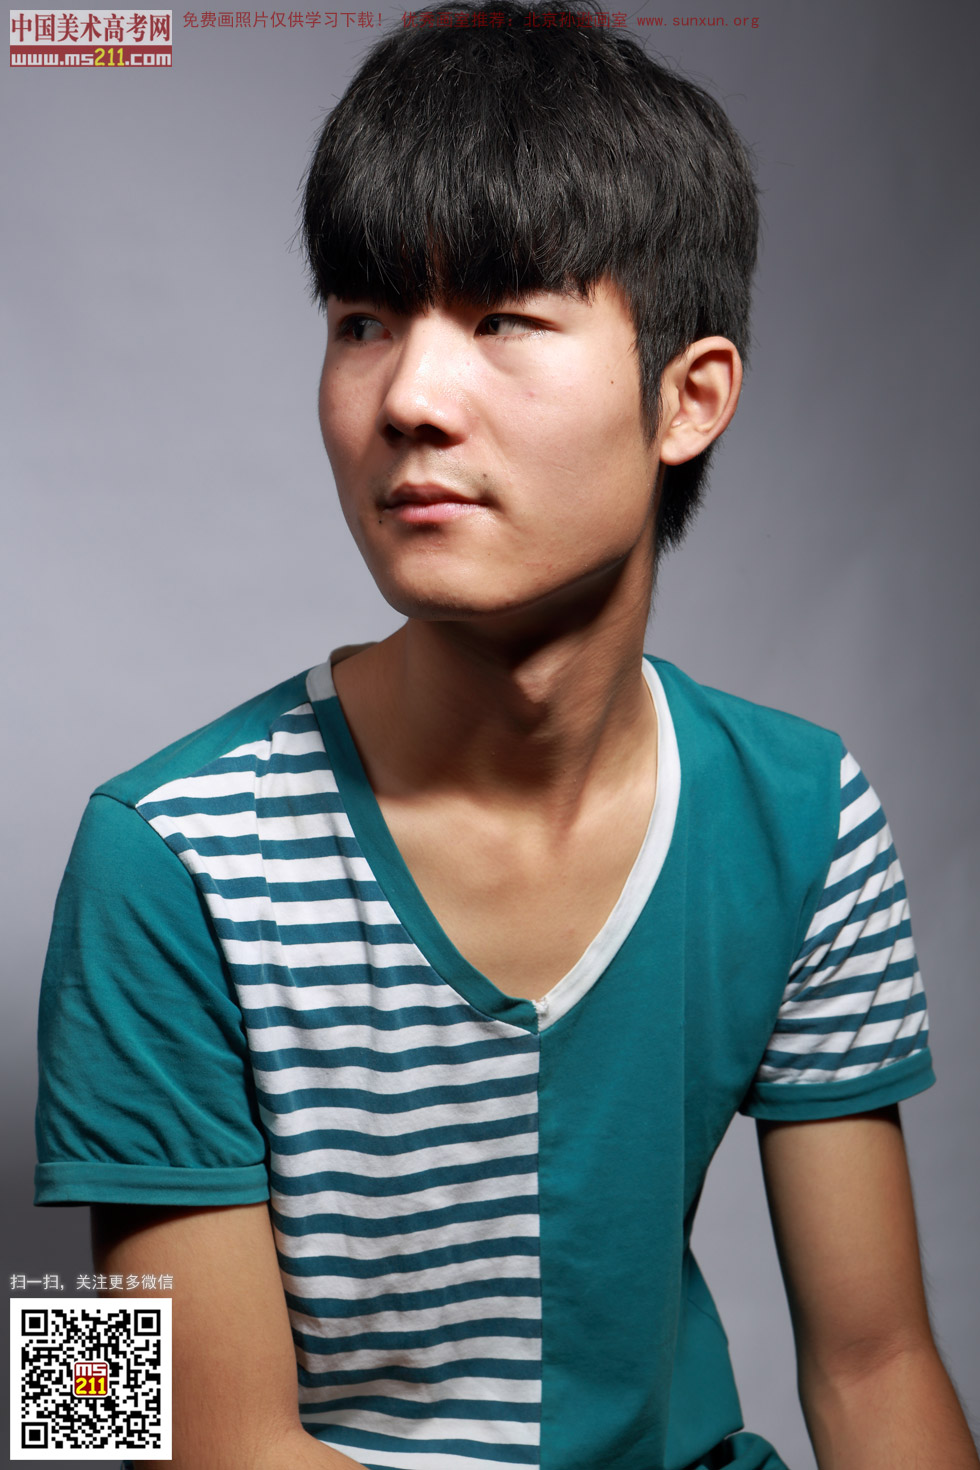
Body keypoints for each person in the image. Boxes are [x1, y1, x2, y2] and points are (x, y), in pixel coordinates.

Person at [34, 4, 978, 1467]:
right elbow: (130, 1432)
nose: (410, 398)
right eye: (362, 322)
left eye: (504, 320)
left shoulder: (804, 808)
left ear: (690, 398)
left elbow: (877, 1362)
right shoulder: (159, 851)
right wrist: (85, 1410)